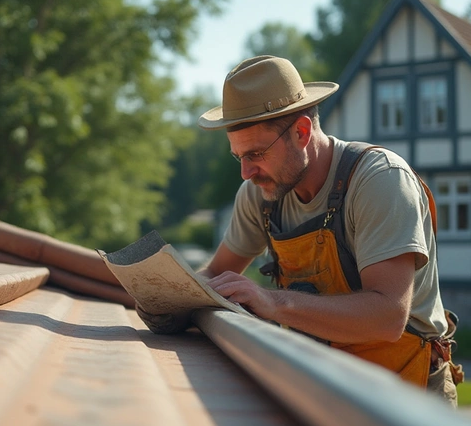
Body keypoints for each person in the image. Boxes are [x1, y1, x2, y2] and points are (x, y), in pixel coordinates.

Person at [136, 55, 463, 406]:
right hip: (323, 385)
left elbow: (387, 318)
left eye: (256, 153)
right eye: (238, 157)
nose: (246, 172)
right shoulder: (260, 193)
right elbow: (217, 272)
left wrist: (273, 301)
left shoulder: (379, 181)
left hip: (409, 397)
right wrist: (172, 299)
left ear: (302, 132)